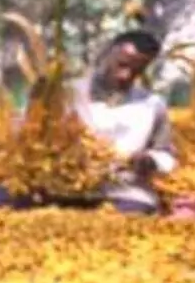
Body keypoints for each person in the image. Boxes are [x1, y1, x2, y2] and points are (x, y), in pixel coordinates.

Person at [68, 30, 177, 215]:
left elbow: (165, 153)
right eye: (122, 65)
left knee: (131, 215)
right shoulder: (68, 93)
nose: (125, 75)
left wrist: (151, 160)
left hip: (124, 192)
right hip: (67, 188)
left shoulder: (152, 105)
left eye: (137, 71)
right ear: (108, 52)